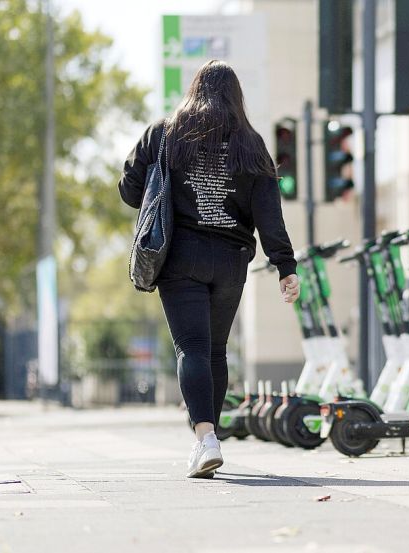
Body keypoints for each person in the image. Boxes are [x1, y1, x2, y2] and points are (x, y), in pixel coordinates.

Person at [119, 60, 299, 478]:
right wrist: (285, 267)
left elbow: (129, 190)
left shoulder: (164, 133)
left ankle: (205, 439)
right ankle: (209, 438)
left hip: (180, 257)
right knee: (215, 350)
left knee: (192, 349)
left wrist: (156, 184)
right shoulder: (252, 145)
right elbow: (270, 215)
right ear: (237, 96)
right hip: (231, 262)